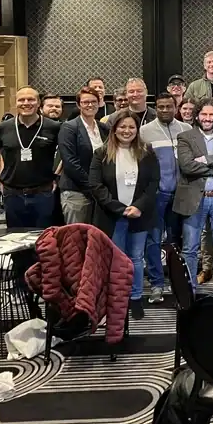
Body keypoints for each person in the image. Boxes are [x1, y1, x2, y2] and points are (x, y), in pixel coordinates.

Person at [88, 109, 160, 320]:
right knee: (115, 260)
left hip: (139, 214)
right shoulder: (101, 153)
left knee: (136, 258)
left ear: (137, 130)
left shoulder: (147, 151)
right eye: (122, 126)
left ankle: (135, 298)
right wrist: (119, 208)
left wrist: (138, 207)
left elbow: (153, 183)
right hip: (112, 216)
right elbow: (96, 185)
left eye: (131, 127)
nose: (126, 130)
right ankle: (116, 300)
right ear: (114, 129)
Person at [175, 99, 213, 294]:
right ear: (197, 116)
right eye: (204, 114)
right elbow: (187, 165)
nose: (207, 118)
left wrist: (206, 159)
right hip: (195, 197)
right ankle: (189, 290)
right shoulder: (185, 137)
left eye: (211, 114)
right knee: (190, 247)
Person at [139, 92, 191, 301]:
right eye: (160, 107)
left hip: (181, 194)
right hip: (157, 194)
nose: (165, 110)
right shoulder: (145, 131)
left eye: (169, 106)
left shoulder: (186, 129)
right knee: (153, 239)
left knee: (176, 240)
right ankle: (157, 284)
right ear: (156, 108)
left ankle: (177, 281)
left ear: (175, 107)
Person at [0, 86, 61, 229]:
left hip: (43, 193)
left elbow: (65, 153)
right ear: (15, 103)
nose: (26, 103)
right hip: (12, 193)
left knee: (43, 237)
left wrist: (57, 176)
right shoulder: (3, 128)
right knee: (15, 237)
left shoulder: (54, 127)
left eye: (31, 99)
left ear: (38, 103)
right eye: (21, 100)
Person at [58, 86, 110, 224]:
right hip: (76, 192)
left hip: (98, 193)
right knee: (77, 234)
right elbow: (70, 163)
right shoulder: (69, 128)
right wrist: (93, 185)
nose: (90, 105)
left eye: (93, 101)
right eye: (85, 102)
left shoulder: (103, 128)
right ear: (78, 105)